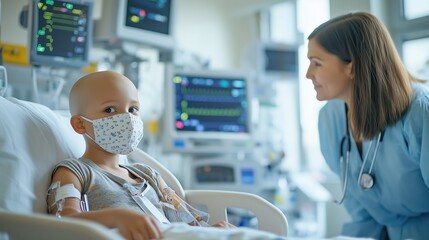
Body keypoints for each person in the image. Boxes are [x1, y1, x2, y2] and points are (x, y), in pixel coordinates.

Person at [47, 71, 234, 240]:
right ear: (80, 124)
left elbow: (186, 219)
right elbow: (64, 220)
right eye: (110, 110)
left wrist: (210, 230)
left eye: (132, 109)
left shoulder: (148, 174)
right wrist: (117, 217)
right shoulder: (76, 172)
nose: (127, 119)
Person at [306, 11, 429, 240]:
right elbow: (363, 212)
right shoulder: (330, 120)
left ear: (351, 65)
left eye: (317, 63)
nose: (308, 74)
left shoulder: (420, 113)